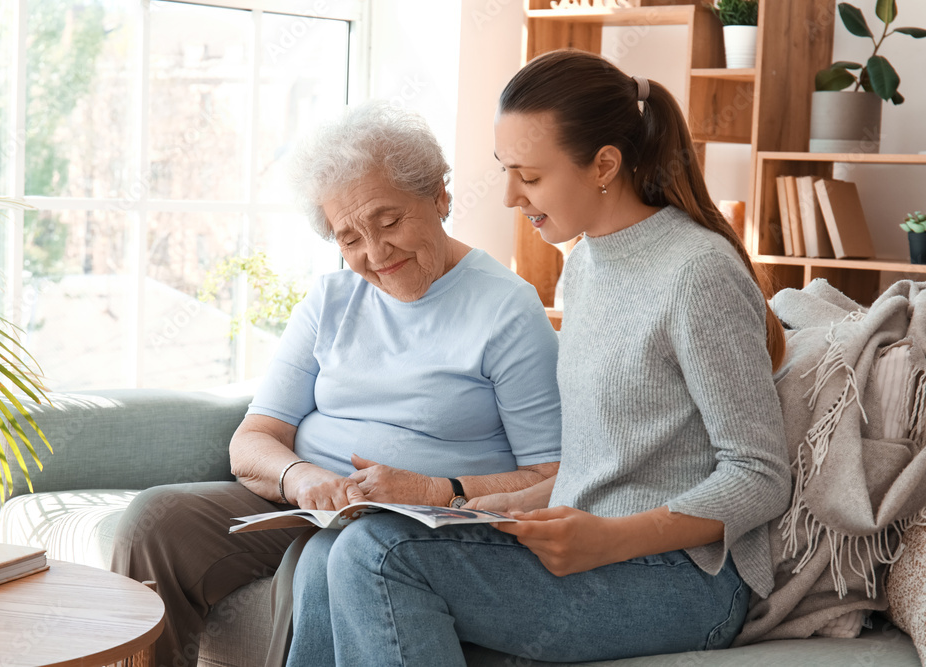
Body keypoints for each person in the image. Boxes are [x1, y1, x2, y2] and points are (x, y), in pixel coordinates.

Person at [285, 49, 793, 666]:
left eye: (527, 176)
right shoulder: (583, 265)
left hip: (685, 581)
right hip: (589, 542)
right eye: (504, 171)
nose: (506, 197)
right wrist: (483, 506)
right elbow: (602, 462)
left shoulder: (697, 272)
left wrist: (608, 539)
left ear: (604, 165)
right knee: (324, 554)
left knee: (379, 554)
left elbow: (761, 476)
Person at [110, 101, 562, 667]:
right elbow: (253, 438)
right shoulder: (330, 300)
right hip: (312, 503)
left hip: (417, 524)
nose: (375, 254)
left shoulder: (507, 309)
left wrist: (432, 490)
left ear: (440, 198)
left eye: (390, 221)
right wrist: (302, 478)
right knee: (156, 521)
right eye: (350, 238)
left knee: (336, 555)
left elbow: (553, 475)